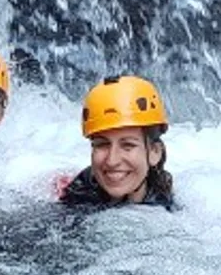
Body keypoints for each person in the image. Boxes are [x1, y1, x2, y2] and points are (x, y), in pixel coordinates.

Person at [58, 74, 174, 209]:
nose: (112, 161)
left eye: (128, 145)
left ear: (155, 152)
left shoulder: (168, 210)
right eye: (102, 144)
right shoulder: (76, 196)